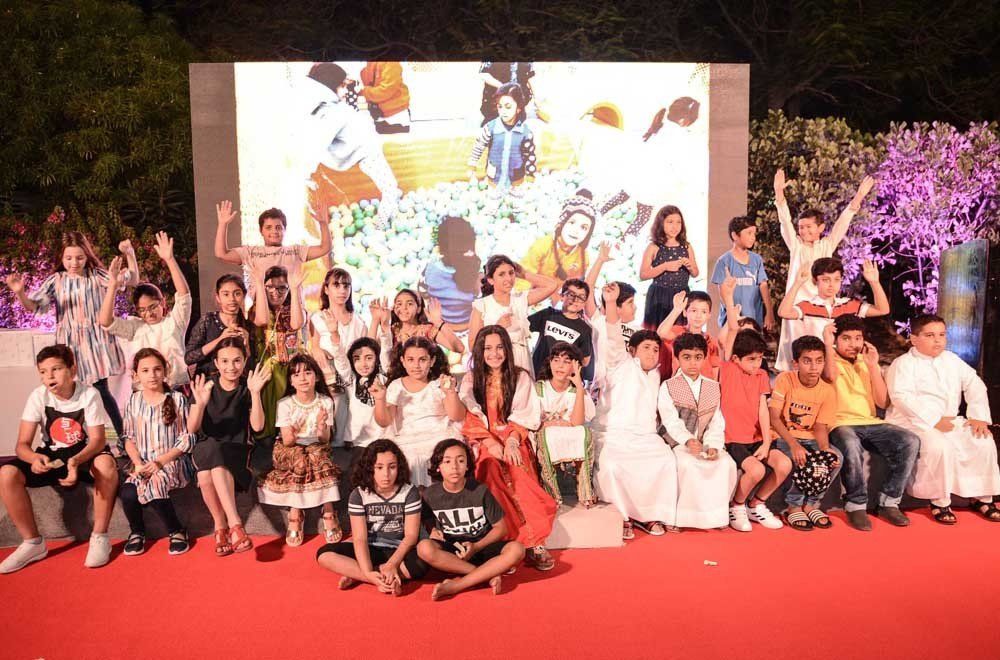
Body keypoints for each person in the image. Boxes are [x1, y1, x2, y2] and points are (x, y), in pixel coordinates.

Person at [5, 231, 138, 437]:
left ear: (87, 256)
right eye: (68, 258)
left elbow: (132, 279)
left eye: (79, 257)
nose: (74, 263)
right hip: (69, 343)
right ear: (62, 257)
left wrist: (129, 253)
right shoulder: (56, 280)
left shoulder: (96, 275)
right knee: (69, 392)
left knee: (101, 390)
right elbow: (34, 306)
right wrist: (20, 292)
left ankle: (123, 437)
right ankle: (72, 438)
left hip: (95, 342)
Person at [0, 345, 118, 573]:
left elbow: (97, 440)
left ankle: (100, 537)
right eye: (43, 372)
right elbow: (22, 445)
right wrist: (34, 458)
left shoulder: (89, 394)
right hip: (53, 454)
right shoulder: (38, 396)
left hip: (84, 452)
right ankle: (32, 543)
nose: (49, 377)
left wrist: (75, 461)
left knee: (106, 465)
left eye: (55, 369)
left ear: (72, 370)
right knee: (7, 473)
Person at [886, 314, 1000, 524]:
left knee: (982, 440)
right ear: (914, 338)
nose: (938, 340)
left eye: (942, 335)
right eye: (930, 335)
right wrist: (933, 420)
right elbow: (901, 397)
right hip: (913, 422)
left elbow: (974, 383)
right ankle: (940, 501)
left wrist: (978, 417)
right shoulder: (903, 364)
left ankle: (982, 498)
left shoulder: (951, 359)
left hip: (949, 421)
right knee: (939, 446)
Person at [460, 326, 556, 570]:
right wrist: (490, 442)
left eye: (499, 347)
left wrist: (512, 440)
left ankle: (535, 542)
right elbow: (468, 415)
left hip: (514, 437)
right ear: (480, 351)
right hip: (483, 439)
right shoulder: (471, 379)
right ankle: (504, 545)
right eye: (488, 348)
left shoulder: (520, 376)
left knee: (518, 470)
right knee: (490, 470)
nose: (494, 354)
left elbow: (526, 413)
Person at [592, 284, 677, 539]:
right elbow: (613, 335)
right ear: (632, 350)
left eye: (655, 349)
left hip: (646, 439)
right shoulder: (620, 363)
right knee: (612, 466)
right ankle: (623, 517)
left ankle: (649, 516)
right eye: (646, 348)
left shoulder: (657, 375)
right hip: (613, 436)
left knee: (665, 461)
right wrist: (611, 302)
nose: (652, 353)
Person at [824, 315, 920, 531]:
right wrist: (828, 346)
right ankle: (855, 504)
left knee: (910, 440)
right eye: (846, 338)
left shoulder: (865, 361)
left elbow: (882, 402)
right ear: (835, 340)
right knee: (849, 443)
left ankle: (889, 501)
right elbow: (829, 377)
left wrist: (874, 366)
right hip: (839, 423)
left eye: (858, 338)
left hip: (870, 422)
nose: (853, 344)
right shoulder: (827, 359)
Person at [773, 170, 876, 370]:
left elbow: (843, 222)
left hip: (822, 307)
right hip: (798, 306)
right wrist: (779, 194)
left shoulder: (826, 246)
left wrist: (859, 196)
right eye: (801, 227)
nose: (804, 231)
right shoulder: (796, 246)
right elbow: (784, 221)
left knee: (823, 349)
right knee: (797, 351)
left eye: (809, 227)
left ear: (821, 228)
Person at [188, 339, 271, 556]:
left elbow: (258, 427)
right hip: (206, 446)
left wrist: (255, 393)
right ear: (216, 363)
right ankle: (235, 524)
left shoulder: (247, 387)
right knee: (213, 453)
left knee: (205, 475)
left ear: (244, 361)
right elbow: (192, 428)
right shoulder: (206, 386)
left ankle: (221, 527)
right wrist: (200, 404)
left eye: (236, 361)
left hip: (236, 450)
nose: (231, 367)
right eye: (224, 361)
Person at [718, 289, 790, 530]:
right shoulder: (728, 369)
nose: (756, 363)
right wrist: (729, 298)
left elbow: (763, 410)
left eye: (759, 358)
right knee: (756, 470)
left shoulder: (761, 376)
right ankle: (736, 506)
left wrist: (767, 442)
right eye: (751, 359)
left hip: (757, 438)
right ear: (736, 358)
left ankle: (756, 504)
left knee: (784, 464)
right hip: (733, 439)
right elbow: (730, 333)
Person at [417, 439, 525, 600]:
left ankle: (457, 586)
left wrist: (476, 546)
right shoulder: (430, 494)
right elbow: (426, 518)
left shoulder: (480, 491)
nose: (454, 467)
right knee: (424, 548)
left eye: (460, 461)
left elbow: (501, 528)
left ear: (467, 465)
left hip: (481, 546)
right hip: (453, 551)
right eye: (447, 461)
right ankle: (485, 574)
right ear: (438, 467)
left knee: (517, 549)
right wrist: (433, 529)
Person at [316, 439, 427, 595]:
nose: (386, 474)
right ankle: (379, 578)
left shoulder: (409, 492)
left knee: (422, 563)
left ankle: (357, 573)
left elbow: (411, 537)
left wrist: (392, 564)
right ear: (369, 468)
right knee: (324, 554)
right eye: (379, 467)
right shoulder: (359, 494)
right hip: (371, 548)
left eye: (392, 467)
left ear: (399, 467)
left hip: (399, 550)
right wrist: (368, 572)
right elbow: (360, 538)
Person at [257, 355, 343, 546]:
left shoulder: (325, 402)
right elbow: (288, 442)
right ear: (291, 381)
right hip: (289, 447)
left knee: (318, 456)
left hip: (316, 446)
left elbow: (325, 439)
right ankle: (296, 512)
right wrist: (295, 432)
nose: (303, 378)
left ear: (317, 377)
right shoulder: (285, 404)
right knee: (300, 458)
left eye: (307, 372)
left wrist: (321, 427)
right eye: (296, 375)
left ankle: (328, 510)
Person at [659, 333, 739, 530]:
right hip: (677, 442)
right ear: (677, 358)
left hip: (705, 441)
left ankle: (714, 517)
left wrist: (713, 445)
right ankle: (680, 518)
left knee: (725, 464)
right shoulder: (668, 385)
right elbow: (670, 420)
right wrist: (688, 440)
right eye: (686, 357)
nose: (693, 363)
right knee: (687, 464)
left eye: (698, 357)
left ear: (704, 358)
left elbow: (716, 421)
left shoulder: (713, 386)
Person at [119, 349, 195, 556]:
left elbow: (186, 439)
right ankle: (137, 532)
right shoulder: (133, 401)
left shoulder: (178, 399)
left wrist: (161, 462)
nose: (152, 375)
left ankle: (176, 530)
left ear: (165, 371)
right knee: (128, 492)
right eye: (145, 370)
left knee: (156, 483)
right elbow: (128, 437)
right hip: (143, 463)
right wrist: (137, 463)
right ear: (136, 375)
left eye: (157, 369)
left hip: (171, 462)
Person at [100, 232, 192, 391]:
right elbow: (106, 321)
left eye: (153, 307)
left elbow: (184, 296)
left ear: (162, 302)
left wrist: (170, 259)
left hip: (175, 387)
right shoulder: (135, 327)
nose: (149, 313)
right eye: (142, 310)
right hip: (143, 392)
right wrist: (113, 287)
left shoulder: (174, 321)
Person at [770, 335, 843, 531]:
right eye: (807, 361)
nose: (813, 367)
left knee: (835, 458)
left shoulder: (827, 391)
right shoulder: (785, 379)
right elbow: (774, 418)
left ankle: (811, 504)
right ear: (796, 363)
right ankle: (793, 506)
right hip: (784, 436)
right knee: (805, 460)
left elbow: (820, 426)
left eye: (819, 361)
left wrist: (825, 449)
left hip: (810, 438)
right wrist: (794, 445)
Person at [372, 336, 465, 487]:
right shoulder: (396, 386)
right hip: (407, 440)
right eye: (411, 360)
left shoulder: (439, 384)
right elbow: (384, 421)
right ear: (403, 361)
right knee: (407, 458)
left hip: (439, 437)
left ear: (432, 361)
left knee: (445, 454)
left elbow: (457, 416)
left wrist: (450, 393)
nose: (416, 365)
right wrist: (380, 399)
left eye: (422, 360)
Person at [214, 201, 330, 302]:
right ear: (261, 231)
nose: (274, 231)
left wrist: (323, 224)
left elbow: (324, 248)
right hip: (261, 312)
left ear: (285, 230)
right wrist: (223, 224)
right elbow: (222, 254)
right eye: (268, 227)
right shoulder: (250, 252)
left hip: (292, 311)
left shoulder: (296, 251)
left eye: (278, 227)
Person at [469, 254, 560, 377]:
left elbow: (552, 285)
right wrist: (496, 328)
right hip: (496, 364)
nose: (509, 278)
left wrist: (524, 274)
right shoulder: (482, 305)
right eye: (502, 274)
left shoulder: (520, 299)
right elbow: (472, 345)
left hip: (522, 360)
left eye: (511, 273)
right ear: (490, 280)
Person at [310, 267, 368, 445]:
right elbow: (313, 347)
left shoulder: (358, 321)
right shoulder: (317, 318)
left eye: (346, 285)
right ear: (326, 289)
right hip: (327, 379)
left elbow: (366, 351)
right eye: (336, 285)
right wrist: (318, 352)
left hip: (353, 379)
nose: (342, 290)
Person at [534, 343, 597, 507]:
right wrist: (559, 423)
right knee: (545, 436)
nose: (560, 366)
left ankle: (585, 491)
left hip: (564, 436)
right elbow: (535, 423)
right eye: (556, 360)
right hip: (543, 436)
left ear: (576, 366)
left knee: (585, 434)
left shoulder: (576, 391)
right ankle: (552, 495)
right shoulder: (539, 388)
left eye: (566, 361)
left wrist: (579, 387)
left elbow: (576, 423)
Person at [250, 264, 306, 444]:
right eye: (270, 287)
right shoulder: (257, 309)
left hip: (292, 366)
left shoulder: (295, 307)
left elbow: (297, 324)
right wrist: (259, 283)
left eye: (282, 287)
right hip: (269, 367)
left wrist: (295, 290)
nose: (276, 292)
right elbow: (262, 320)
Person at [777, 257, 890, 340]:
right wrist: (797, 283)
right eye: (826, 280)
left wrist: (874, 282)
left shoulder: (849, 304)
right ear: (815, 281)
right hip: (817, 360)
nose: (831, 285)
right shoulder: (807, 306)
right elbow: (783, 312)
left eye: (836, 280)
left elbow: (883, 310)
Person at [328, 335, 394, 466]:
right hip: (358, 443)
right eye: (357, 359)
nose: (363, 364)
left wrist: (385, 329)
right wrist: (334, 334)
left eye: (369, 358)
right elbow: (341, 362)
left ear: (377, 359)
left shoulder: (383, 379)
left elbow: (386, 353)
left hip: (382, 441)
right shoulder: (351, 381)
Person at [710, 216, 775, 332]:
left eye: (754, 233)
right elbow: (723, 293)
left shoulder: (757, 260)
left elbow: (763, 286)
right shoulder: (724, 261)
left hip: (754, 320)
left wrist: (769, 313)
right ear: (735, 235)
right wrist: (733, 314)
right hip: (732, 320)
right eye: (749, 233)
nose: (753, 237)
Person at [468, 83, 537, 191]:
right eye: (500, 106)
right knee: (494, 198)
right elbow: (479, 146)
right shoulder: (490, 128)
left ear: (518, 108)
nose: (503, 111)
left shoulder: (525, 133)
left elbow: (530, 156)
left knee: (515, 198)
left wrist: (530, 176)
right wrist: (472, 164)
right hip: (494, 178)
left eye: (508, 107)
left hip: (516, 179)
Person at [185, 274, 255, 379]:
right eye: (226, 294)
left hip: (237, 383)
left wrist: (247, 346)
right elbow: (189, 358)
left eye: (237, 294)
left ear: (244, 296)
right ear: (218, 297)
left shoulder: (248, 326)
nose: (232, 299)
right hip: (207, 382)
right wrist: (219, 340)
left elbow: (252, 367)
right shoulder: (208, 321)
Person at [521, 190, 598, 285]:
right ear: (562, 223)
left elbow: (574, 286)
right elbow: (524, 276)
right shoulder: (542, 246)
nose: (576, 231)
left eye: (584, 227)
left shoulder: (583, 258)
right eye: (572, 222)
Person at [640, 205, 699, 330]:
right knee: (658, 332)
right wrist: (665, 267)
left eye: (678, 222)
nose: (675, 226)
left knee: (679, 332)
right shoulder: (654, 246)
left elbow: (695, 273)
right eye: (670, 222)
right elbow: (643, 274)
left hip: (682, 294)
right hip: (659, 296)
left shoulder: (686, 246)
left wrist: (689, 266)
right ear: (661, 223)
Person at [420, 215, 481, 329]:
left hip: (441, 328)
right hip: (469, 327)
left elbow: (423, 293)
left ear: (440, 246)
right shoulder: (474, 271)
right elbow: (480, 302)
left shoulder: (430, 269)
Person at [528, 278, 594, 376]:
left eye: (581, 297)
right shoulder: (548, 314)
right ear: (562, 296)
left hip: (562, 379)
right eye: (571, 295)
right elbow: (523, 326)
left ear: (584, 303)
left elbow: (585, 361)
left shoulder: (585, 329)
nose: (575, 300)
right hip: (537, 374)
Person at [376, 288, 464, 354]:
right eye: (399, 304)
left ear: (418, 309)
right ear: (394, 309)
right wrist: (376, 320)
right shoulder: (391, 331)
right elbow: (371, 350)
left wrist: (439, 322)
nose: (404, 308)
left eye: (409, 304)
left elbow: (459, 348)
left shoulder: (427, 330)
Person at [656, 290, 720, 380]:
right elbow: (661, 333)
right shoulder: (678, 333)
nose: (698, 316)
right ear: (685, 312)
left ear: (709, 315)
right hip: (680, 384)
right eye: (694, 311)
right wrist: (676, 310)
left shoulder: (711, 341)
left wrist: (714, 386)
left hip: (704, 385)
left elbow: (715, 369)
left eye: (704, 312)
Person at [358, 60, 411, 134]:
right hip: (380, 115)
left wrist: (362, 91)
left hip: (395, 115)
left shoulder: (391, 63)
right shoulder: (370, 64)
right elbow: (368, 84)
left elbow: (386, 90)